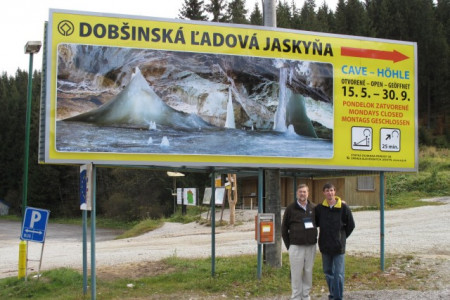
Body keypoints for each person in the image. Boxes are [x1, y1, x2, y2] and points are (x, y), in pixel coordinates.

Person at [315, 183, 355, 300]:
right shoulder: (320, 208)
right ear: (324, 193)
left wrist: (341, 237)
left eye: (331, 190)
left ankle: (338, 297)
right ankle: (332, 295)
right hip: (325, 246)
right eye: (327, 190)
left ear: (335, 191)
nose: (329, 193)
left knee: (338, 274)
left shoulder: (343, 208)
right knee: (328, 272)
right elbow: (316, 222)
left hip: (338, 247)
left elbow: (351, 225)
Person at [282, 184, 317, 300]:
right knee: (296, 273)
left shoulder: (313, 208)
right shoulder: (290, 208)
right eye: (300, 192)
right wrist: (290, 246)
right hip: (296, 246)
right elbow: (284, 228)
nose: (302, 194)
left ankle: (305, 295)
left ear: (308, 193)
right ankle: (296, 296)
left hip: (311, 246)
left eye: (304, 192)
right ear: (297, 193)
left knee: (308, 272)